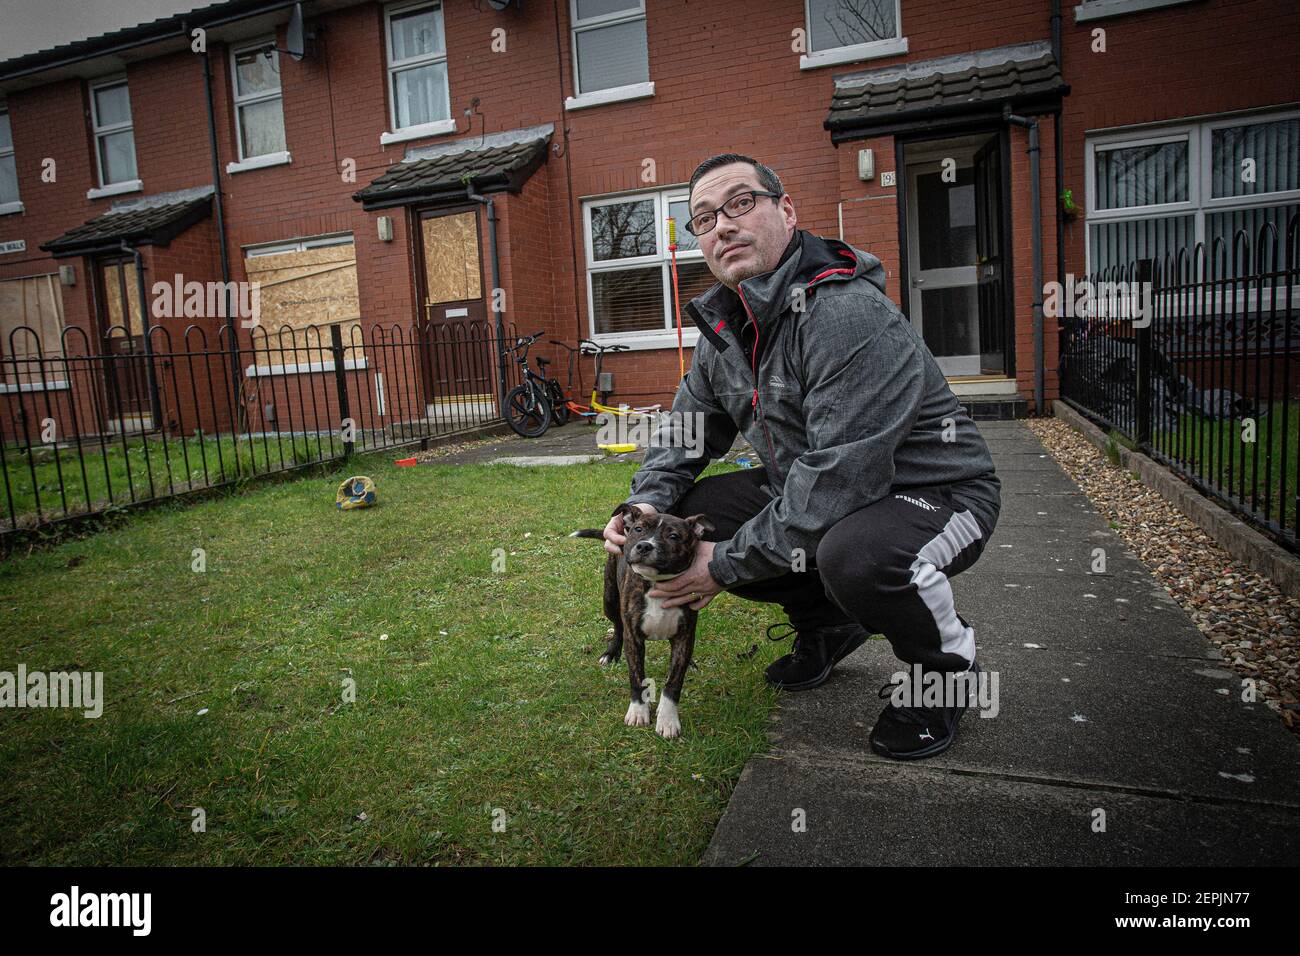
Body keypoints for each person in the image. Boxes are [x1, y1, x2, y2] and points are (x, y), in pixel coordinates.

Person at [601, 153, 1002, 759]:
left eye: (740, 204)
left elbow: (842, 476)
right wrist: (646, 502)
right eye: (704, 218)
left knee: (854, 554)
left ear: (785, 211)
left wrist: (726, 563)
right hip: (830, 490)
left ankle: (944, 666)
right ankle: (829, 624)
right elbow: (684, 433)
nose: (723, 227)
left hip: (938, 494)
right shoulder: (727, 328)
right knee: (689, 513)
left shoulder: (845, 313)